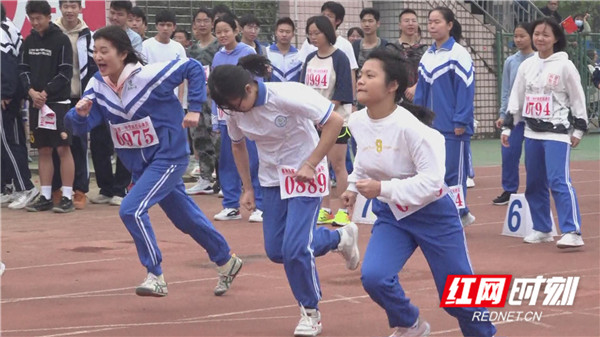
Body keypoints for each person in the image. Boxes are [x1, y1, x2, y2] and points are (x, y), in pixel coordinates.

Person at [66, 25, 243, 297]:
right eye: (95, 52)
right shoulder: (97, 85)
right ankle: (226, 259)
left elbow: (193, 67)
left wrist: (195, 109)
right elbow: (80, 126)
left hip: (169, 156)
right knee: (186, 219)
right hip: (140, 165)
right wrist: (78, 115)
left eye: (104, 51)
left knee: (130, 209)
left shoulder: (149, 76)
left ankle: (155, 274)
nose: (98, 57)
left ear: (123, 53)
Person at [342, 49, 497, 337]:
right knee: (375, 277)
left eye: (370, 75)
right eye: (361, 74)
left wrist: (382, 188)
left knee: (459, 295)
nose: (360, 80)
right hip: (392, 215)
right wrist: (353, 185)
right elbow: (365, 159)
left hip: (433, 214)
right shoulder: (356, 121)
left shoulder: (417, 132)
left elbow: (432, 183)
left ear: (392, 86)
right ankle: (410, 323)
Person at [209, 54, 360, 337]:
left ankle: (310, 312)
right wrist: (248, 188)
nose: (235, 111)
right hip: (271, 180)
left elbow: (336, 121)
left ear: (249, 88)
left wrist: (312, 163)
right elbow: (238, 147)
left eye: (236, 104)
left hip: (306, 174)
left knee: (295, 249)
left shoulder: (289, 94)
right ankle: (340, 238)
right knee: (277, 251)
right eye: (228, 108)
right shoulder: (235, 112)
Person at [501, 17, 587, 248]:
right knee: (534, 182)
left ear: (556, 38)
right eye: (537, 34)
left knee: (559, 181)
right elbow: (516, 98)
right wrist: (509, 126)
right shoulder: (526, 66)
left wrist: (578, 128)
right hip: (531, 132)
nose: (540, 38)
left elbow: (578, 97)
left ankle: (572, 231)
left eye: (545, 35)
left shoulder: (565, 66)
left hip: (557, 133)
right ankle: (542, 228)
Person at [414, 7, 477, 227]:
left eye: (437, 22)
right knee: (434, 172)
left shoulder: (459, 54)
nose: (432, 26)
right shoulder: (427, 55)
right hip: (430, 127)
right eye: (430, 22)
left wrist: (461, 120)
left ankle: (458, 213)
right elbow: (421, 91)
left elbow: (465, 90)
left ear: (449, 25)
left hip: (452, 127)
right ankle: (458, 212)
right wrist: (418, 118)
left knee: (454, 174)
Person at [19, 0, 75, 213]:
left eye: (38, 18)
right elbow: (22, 69)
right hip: (35, 104)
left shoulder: (61, 40)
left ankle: (68, 196)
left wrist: (45, 92)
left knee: (63, 148)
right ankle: (45, 195)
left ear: (48, 17)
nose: (35, 22)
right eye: (31, 19)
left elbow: (65, 72)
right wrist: (31, 92)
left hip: (58, 103)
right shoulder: (28, 41)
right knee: (43, 149)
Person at [300, 16, 353, 226]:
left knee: (338, 165)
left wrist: (325, 114)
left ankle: (343, 210)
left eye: (317, 33)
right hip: (314, 121)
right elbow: (303, 90)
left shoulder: (340, 58)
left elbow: (342, 90)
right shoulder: (310, 59)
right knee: (320, 165)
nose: (313, 37)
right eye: (310, 33)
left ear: (327, 33)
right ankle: (324, 208)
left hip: (337, 120)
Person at [211, 14, 263, 222]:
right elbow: (214, 89)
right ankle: (231, 204)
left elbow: (256, 82)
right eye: (219, 31)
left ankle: (260, 204)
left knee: (253, 160)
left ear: (236, 30)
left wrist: (252, 110)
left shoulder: (248, 52)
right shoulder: (217, 56)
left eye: (227, 30)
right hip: (225, 117)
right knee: (227, 161)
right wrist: (216, 117)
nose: (223, 35)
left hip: (246, 114)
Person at [90, 0, 138, 207]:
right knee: (99, 141)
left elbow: (136, 66)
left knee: (124, 141)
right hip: (103, 95)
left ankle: (120, 188)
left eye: (119, 14)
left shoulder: (134, 39)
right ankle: (105, 188)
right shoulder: (100, 34)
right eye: (112, 13)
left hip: (125, 97)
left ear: (128, 16)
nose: (114, 17)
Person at [50, 0, 97, 210]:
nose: (70, 10)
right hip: (55, 97)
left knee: (78, 143)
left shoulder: (89, 35)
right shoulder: (52, 32)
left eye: (73, 5)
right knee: (54, 143)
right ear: (60, 8)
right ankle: (56, 189)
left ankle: (79, 190)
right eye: (66, 5)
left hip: (79, 96)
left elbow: (95, 66)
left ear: (80, 8)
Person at [492, 23, 535, 206]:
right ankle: (509, 190)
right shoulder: (511, 61)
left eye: (522, 36)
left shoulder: (539, 60)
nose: (518, 40)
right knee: (509, 153)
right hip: (514, 118)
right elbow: (506, 90)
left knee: (534, 157)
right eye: (515, 36)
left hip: (535, 118)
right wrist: (503, 114)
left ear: (531, 37)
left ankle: (536, 190)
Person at [1, 3, 39, 210]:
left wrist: (5, 93)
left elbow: (7, 64)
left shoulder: (1, 32)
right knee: (8, 142)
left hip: (7, 97)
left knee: (10, 143)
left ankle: (26, 187)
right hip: (13, 94)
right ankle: (11, 187)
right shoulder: (7, 26)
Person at [186, 8, 221, 196]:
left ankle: (224, 179)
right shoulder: (190, 50)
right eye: (198, 21)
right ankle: (205, 178)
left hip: (215, 100)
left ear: (212, 23)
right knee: (200, 139)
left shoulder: (218, 47)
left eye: (206, 20)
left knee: (218, 139)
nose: (202, 24)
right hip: (197, 101)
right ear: (193, 25)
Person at [297, 1, 359, 96]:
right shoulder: (309, 50)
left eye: (329, 16)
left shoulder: (344, 47)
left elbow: (350, 74)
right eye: (323, 15)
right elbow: (303, 74)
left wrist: (353, 100)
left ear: (338, 21)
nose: (313, 37)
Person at [386, 9, 427, 102]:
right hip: (397, 98)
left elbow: (429, 74)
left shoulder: (424, 50)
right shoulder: (391, 49)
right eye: (407, 21)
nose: (410, 23)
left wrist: (416, 86)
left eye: (414, 21)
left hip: (421, 96)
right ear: (399, 25)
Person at [267, 17, 302, 83]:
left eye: (288, 32)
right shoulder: (266, 52)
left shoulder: (299, 55)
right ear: (276, 33)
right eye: (281, 31)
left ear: (293, 34)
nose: (284, 35)